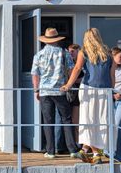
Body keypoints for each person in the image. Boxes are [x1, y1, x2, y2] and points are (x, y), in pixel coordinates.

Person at [62, 28, 114, 164]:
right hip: (105, 89)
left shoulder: (83, 52)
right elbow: (112, 74)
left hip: (89, 88)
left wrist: (68, 85)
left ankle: (92, 152)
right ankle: (88, 150)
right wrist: (112, 91)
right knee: (100, 121)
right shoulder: (108, 53)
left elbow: (77, 68)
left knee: (88, 120)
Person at [31, 28, 83, 160]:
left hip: (44, 91)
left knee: (48, 121)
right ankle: (72, 149)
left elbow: (35, 74)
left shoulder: (39, 55)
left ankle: (50, 151)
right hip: (60, 90)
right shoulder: (64, 53)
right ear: (56, 40)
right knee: (66, 119)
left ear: (45, 41)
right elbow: (71, 70)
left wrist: (36, 90)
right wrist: (69, 84)